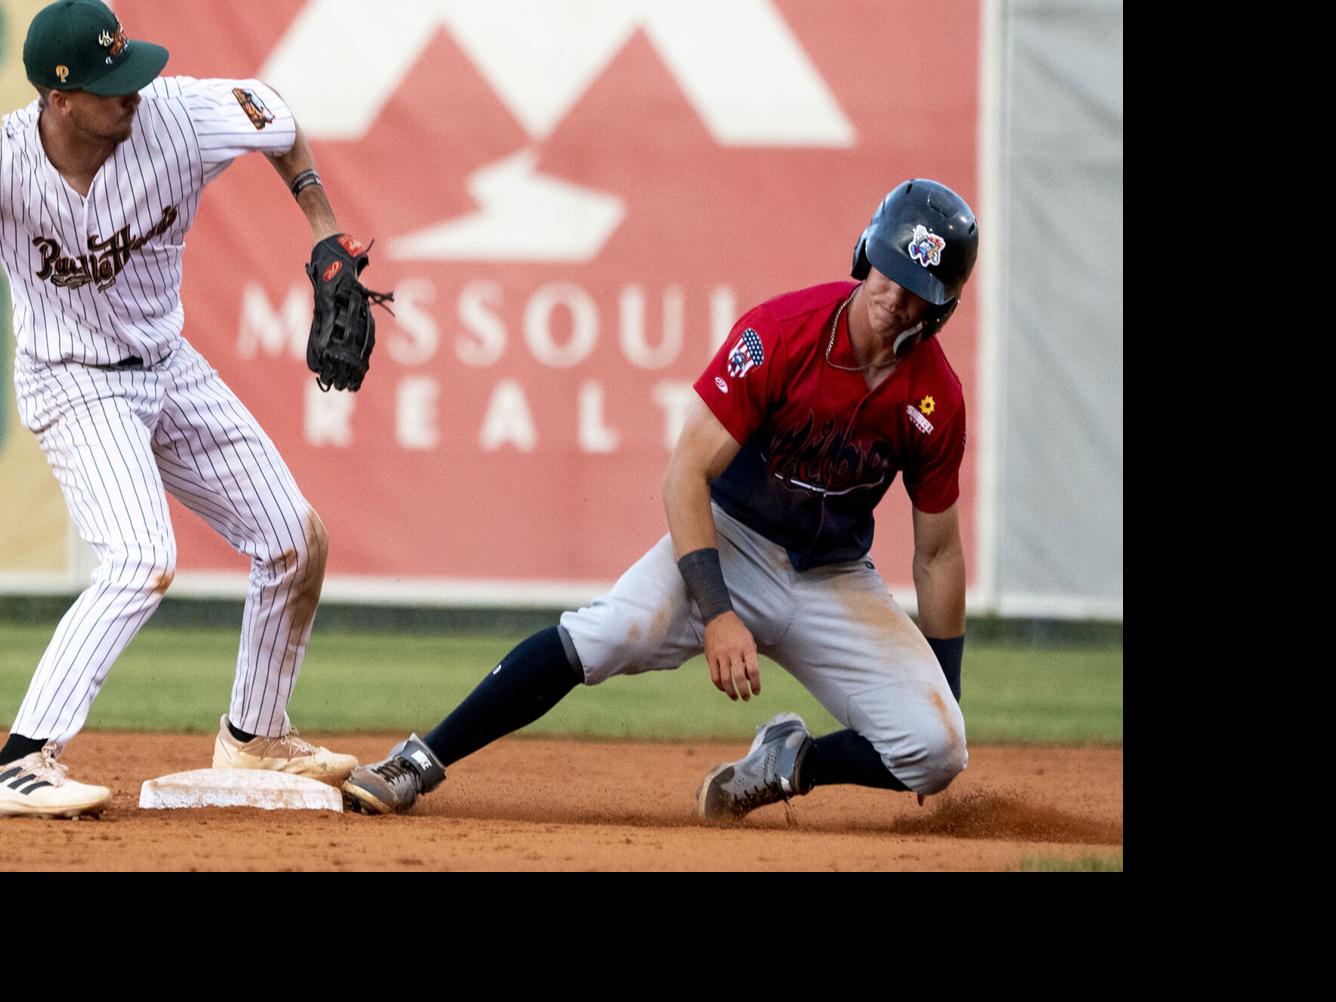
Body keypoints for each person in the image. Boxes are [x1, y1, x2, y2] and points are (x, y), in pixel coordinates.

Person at [343, 178, 978, 821]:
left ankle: (790, 762)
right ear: (866, 254)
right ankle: (418, 761)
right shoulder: (782, 332)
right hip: (731, 541)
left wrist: (944, 693)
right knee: (611, 631)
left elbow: (939, 554)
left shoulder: (935, 399)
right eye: (888, 272)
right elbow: (685, 474)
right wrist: (719, 612)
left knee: (937, 749)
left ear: (940, 307)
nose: (893, 297)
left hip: (835, 577)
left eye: (915, 290)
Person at [0, 0, 367, 819]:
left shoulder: (181, 117)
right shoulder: (8, 161)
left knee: (293, 539)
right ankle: (23, 757)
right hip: (73, 378)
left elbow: (279, 118)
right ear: (58, 99)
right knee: (139, 558)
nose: (133, 92)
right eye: (110, 86)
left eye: (132, 72)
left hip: (168, 363)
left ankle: (256, 733)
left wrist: (326, 236)